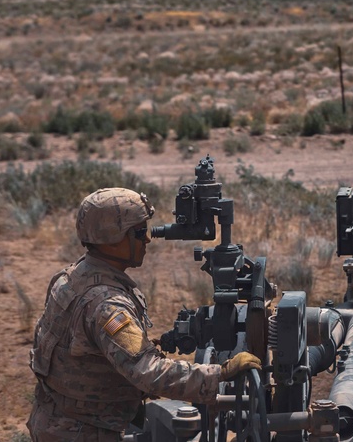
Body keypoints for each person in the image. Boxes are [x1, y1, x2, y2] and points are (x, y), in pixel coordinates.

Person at [28, 187, 262, 441]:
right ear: (113, 238)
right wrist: (220, 374)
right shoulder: (107, 305)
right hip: (82, 432)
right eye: (139, 233)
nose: (147, 239)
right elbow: (149, 373)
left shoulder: (71, 277)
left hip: (56, 420)